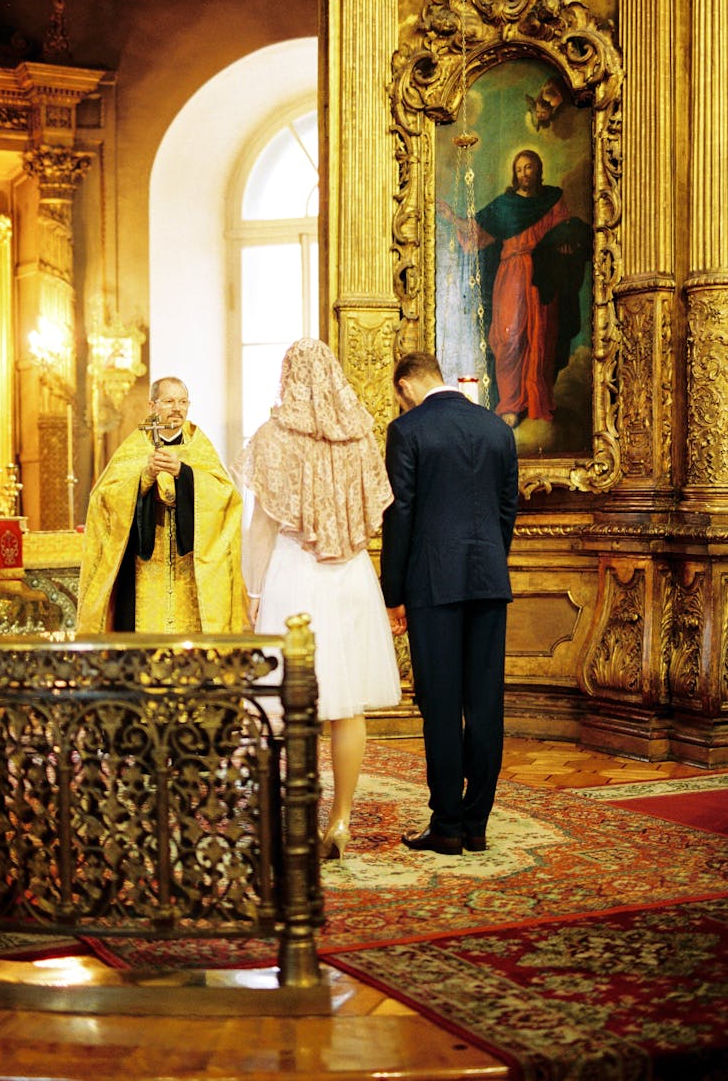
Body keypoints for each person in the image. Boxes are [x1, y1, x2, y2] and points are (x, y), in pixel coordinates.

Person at [234, 338, 401, 861]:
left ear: (288, 377)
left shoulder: (272, 437)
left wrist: (253, 592)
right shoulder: (360, 436)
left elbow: (261, 528)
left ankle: (293, 816)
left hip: (293, 573)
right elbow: (377, 512)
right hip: (349, 576)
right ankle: (342, 818)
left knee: (286, 705)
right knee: (347, 707)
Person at [380, 352, 518, 856]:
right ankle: (477, 822)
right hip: (488, 579)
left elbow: (401, 514)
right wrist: (488, 561)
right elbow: (507, 508)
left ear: (406, 386)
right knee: (484, 705)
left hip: (431, 586)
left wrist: (392, 592)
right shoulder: (497, 428)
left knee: (439, 706)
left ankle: (447, 825)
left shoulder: (408, 429)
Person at [77, 376, 245, 634]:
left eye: (182, 401)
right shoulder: (135, 445)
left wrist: (185, 474)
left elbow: (226, 495)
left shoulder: (199, 444)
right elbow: (104, 497)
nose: (177, 408)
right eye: (168, 401)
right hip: (145, 567)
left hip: (189, 567)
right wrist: (144, 478)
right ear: (152, 405)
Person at [438, 149, 591, 427]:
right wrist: (451, 217)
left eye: (529, 167)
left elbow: (568, 230)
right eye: (519, 169)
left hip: (542, 275)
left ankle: (536, 400)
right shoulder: (505, 205)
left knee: (540, 336)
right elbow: (476, 233)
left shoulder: (552, 201)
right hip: (511, 274)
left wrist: (567, 244)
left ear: (538, 170)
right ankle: (509, 403)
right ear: (514, 174)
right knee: (508, 338)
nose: (524, 174)